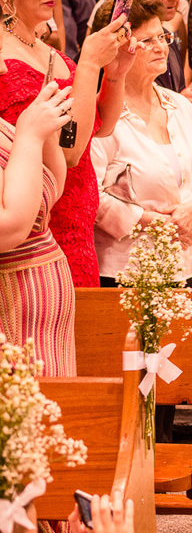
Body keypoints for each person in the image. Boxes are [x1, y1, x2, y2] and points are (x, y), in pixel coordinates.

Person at [0, 0, 133, 287]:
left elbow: (99, 128)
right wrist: (88, 65)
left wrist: (116, 76)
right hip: (42, 230)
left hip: (79, 224)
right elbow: (68, 152)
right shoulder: (3, 60)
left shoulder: (50, 53)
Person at [91, 0, 192, 286]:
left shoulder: (181, 106)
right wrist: (152, 222)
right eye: (146, 41)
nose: (160, 47)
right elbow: (91, 196)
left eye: (162, 37)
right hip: (127, 270)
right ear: (117, 49)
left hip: (190, 262)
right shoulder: (101, 116)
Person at [0, 70, 76, 377]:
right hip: (12, 316)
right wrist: (29, 134)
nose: (5, 67)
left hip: (42, 328)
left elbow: (50, 189)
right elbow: (12, 226)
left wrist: (44, 133)